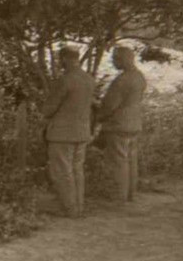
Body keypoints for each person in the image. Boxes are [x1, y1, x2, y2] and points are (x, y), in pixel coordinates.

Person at [42, 46, 96, 217]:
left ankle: (69, 208)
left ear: (65, 58)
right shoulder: (88, 79)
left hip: (62, 134)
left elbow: (49, 109)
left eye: (60, 59)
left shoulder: (65, 80)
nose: (59, 63)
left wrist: (43, 110)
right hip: (81, 132)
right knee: (77, 170)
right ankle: (78, 206)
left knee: (62, 171)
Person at [96, 44, 147, 204]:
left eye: (115, 59)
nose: (113, 62)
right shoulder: (139, 76)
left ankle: (119, 197)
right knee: (131, 160)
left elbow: (110, 105)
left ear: (123, 59)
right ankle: (130, 195)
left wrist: (98, 116)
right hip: (134, 123)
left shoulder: (122, 80)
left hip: (118, 125)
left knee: (118, 161)